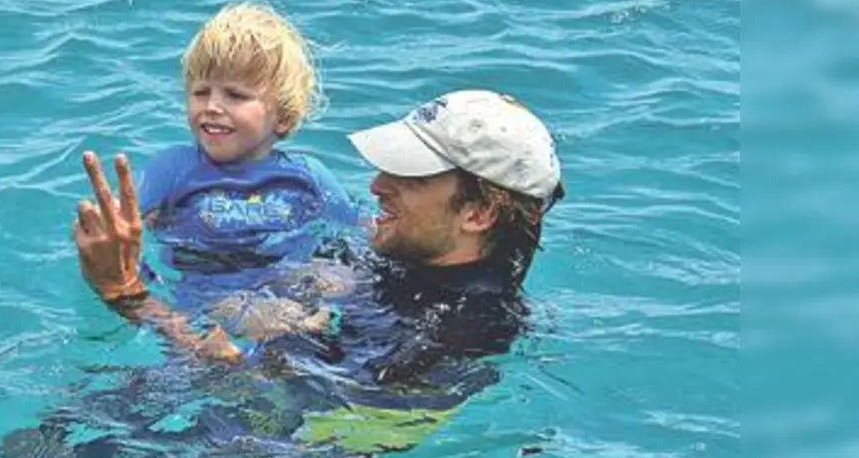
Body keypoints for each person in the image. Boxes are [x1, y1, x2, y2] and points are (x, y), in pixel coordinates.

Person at [74, 89, 565, 384]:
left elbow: (311, 440)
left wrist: (128, 295)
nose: (377, 186)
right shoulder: (376, 258)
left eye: (410, 176)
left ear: (478, 213)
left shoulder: (464, 336)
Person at [126, 1, 360, 303]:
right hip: (209, 295)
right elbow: (119, 226)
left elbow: (356, 229)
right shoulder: (173, 169)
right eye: (200, 92)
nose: (211, 106)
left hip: (284, 285)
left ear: (284, 116)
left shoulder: (308, 175)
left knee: (342, 279)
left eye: (235, 95)